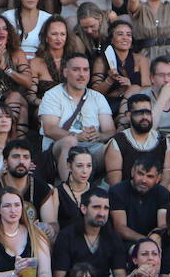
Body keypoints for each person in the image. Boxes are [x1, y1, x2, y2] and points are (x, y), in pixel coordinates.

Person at [38, 53, 114, 182]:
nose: (81, 74)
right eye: (76, 69)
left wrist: (99, 136)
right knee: (70, 141)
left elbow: (110, 131)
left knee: (115, 144)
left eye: (85, 70)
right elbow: (49, 129)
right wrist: (76, 136)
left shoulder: (97, 97)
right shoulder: (52, 95)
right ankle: (69, 190)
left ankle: (112, 190)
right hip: (59, 150)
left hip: (91, 150)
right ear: (66, 72)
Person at [52, 187, 123, 277]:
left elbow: (120, 276)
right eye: (96, 207)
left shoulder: (113, 237)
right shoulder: (66, 236)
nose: (102, 213)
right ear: (83, 209)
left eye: (106, 208)